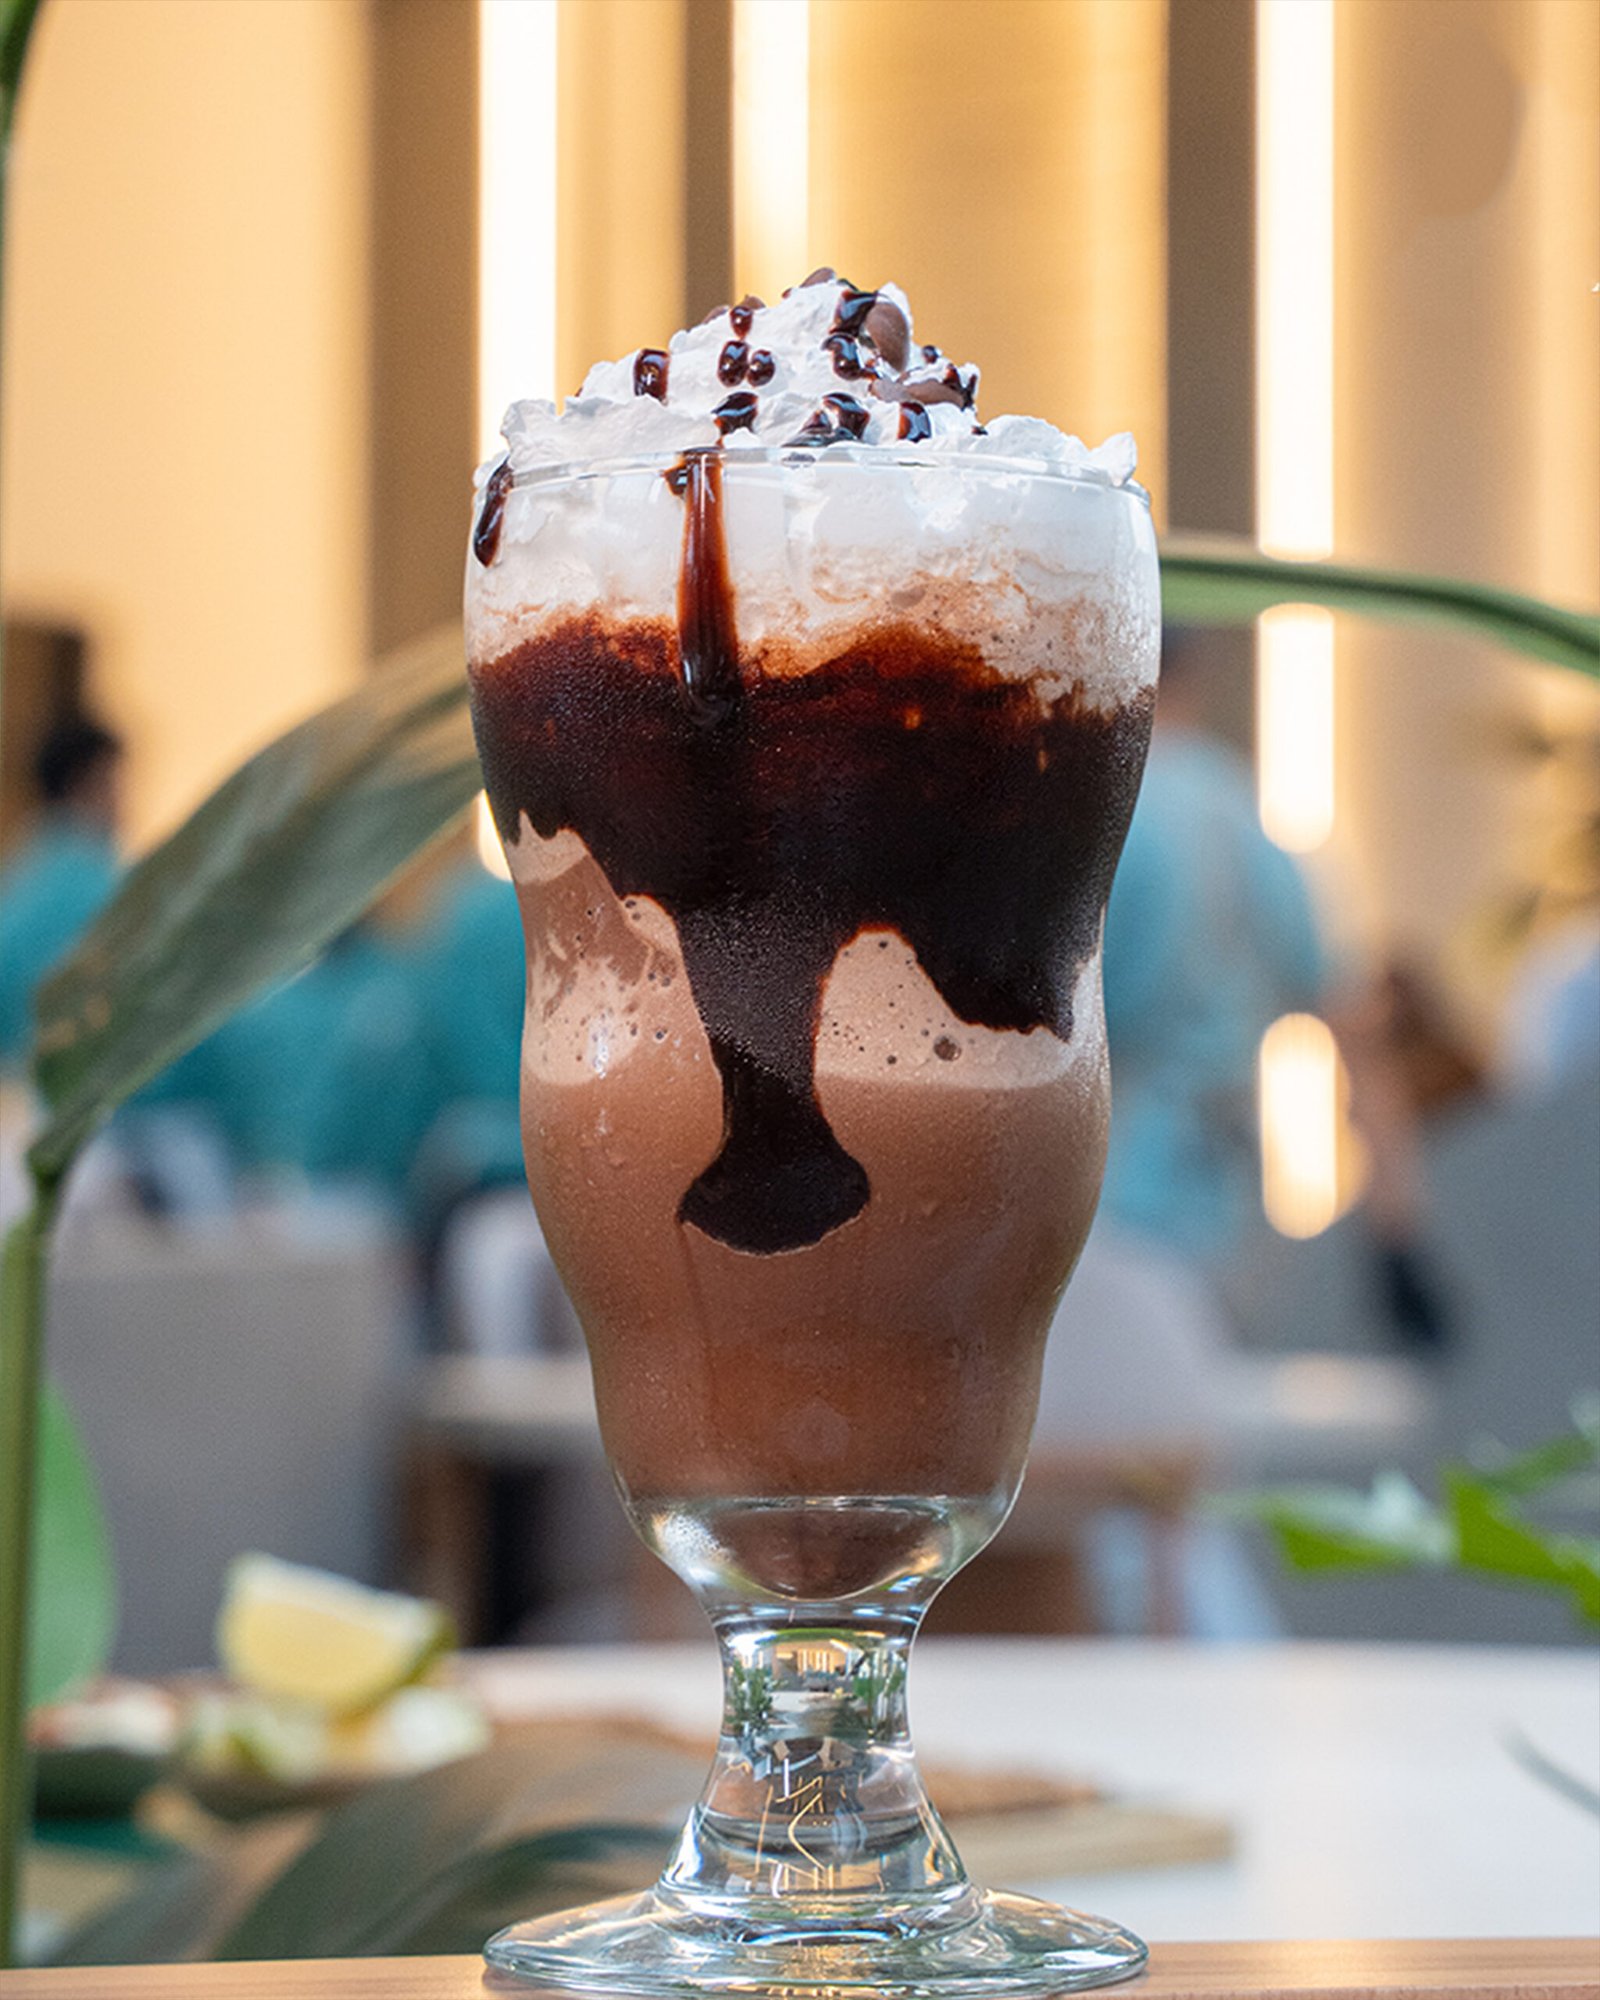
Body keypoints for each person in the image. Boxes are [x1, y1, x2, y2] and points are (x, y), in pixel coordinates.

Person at [0, 715, 124, 1067]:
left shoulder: (32, 859)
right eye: (113, 782)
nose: (122, 801)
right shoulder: (84, 876)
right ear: (82, 783)